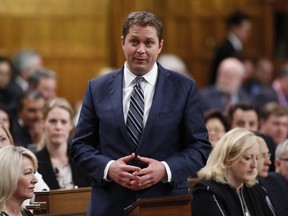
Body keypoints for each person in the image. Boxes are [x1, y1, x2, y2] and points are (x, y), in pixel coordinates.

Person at [71, 11, 211, 216]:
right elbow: (80, 146)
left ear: (160, 45)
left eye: (149, 43)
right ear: (122, 42)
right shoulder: (97, 87)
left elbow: (199, 147)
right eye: (134, 41)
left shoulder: (184, 88)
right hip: (110, 205)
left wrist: (166, 169)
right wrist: (108, 168)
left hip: (164, 202)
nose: (141, 50)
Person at [192, 128, 275, 216]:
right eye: (248, 158)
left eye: (257, 158)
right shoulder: (206, 191)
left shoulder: (255, 189)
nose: (254, 165)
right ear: (228, 158)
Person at [36, 97, 91, 190]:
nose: (58, 127)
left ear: (70, 126)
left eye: (63, 122)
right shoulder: (35, 163)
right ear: (43, 123)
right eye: (53, 121)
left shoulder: (83, 160)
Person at [228, 102, 277, 171]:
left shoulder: (268, 144)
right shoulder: (223, 148)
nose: (247, 128)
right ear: (230, 125)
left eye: (252, 124)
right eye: (240, 124)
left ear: (259, 126)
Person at [210, 11, 252, 84]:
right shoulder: (225, 48)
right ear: (234, 28)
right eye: (246, 31)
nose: (248, 35)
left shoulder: (237, 46)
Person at [0, 145, 38, 216]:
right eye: (28, 173)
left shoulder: (28, 214)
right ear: (8, 177)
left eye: (34, 173)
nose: (35, 180)